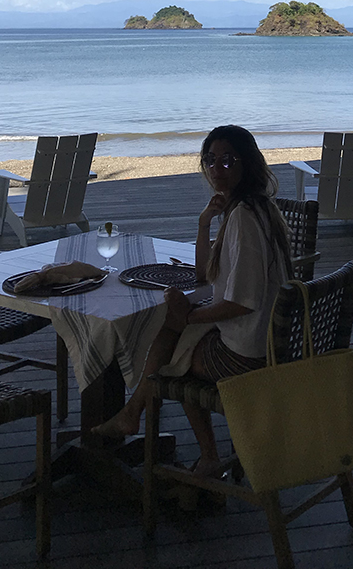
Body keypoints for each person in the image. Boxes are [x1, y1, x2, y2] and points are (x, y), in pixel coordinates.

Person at [93, 124, 293, 475]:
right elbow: (204, 274)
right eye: (210, 160)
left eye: (228, 160)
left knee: (174, 349)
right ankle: (135, 416)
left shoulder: (244, 218)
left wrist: (188, 316)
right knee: (173, 332)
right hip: (269, 341)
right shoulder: (253, 207)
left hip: (247, 355)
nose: (217, 169)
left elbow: (242, 302)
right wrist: (204, 224)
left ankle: (148, 422)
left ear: (247, 163)